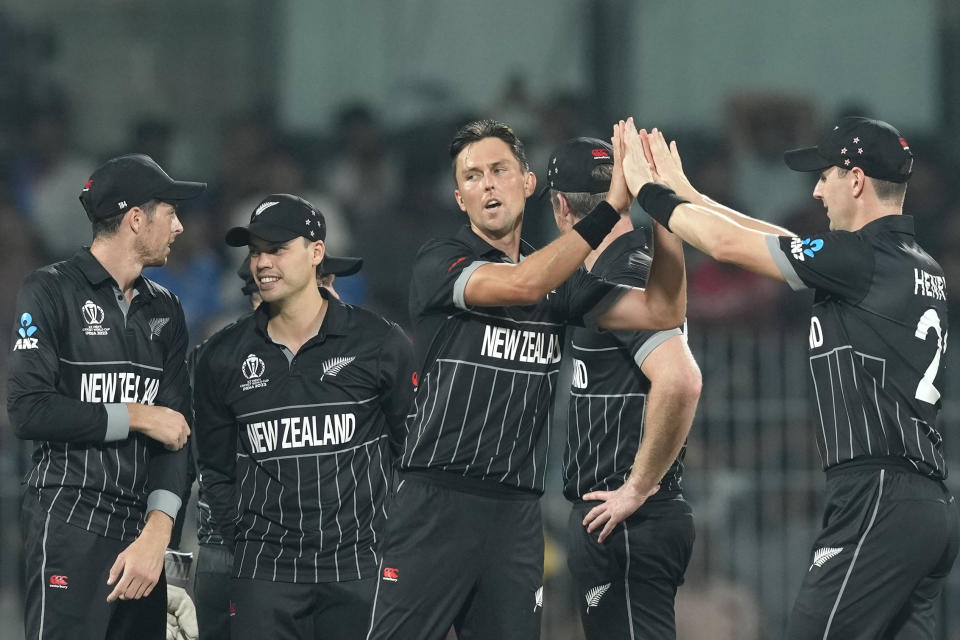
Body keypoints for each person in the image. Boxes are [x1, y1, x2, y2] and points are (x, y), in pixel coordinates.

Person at [622, 116, 960, 638]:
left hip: (877, 496)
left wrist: (651, 195)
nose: (816, 189)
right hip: (927, 504)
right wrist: (688, 193)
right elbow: (779, 241)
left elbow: (730, 249)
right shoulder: (917, 263)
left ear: (856, 179)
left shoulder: (858, 258)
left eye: (825, 174)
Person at [366, 119, 687, 640]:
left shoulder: (561, 284)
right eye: (472, 177)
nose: (487, 184)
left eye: (499, 170)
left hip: (516, 517)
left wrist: (665, 212)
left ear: (529, 183)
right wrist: (611, 205)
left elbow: (665, 307)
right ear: (459, 198)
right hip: (435, 503)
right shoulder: (441, 262)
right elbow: (524, 282)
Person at [193, 194, 414, 640]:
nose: (262, 262)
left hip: (359, 568)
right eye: (255, 251)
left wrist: (397, 544)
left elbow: (412, 450)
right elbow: (215, 469)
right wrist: (247, 538)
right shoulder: (219, 357)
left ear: (316, 253)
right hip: (264, 575)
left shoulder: (379, 343)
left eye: (276, 248)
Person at [8, 153, 205, 640]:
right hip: (69, 521)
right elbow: (29, 410)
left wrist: (157, 537)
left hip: (143, 535)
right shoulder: (49, 291)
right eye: (170, 213)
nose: (179, 226)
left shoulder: (168, 310)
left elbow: (178, 433)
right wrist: (138, 415)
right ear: (136, 219)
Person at [546, 136, 701, 638]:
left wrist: (635, 489)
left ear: (560, 205)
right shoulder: (630, 266)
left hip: (628, 519)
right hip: (619, 518)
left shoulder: (623, 274)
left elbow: (680, 380)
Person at [177, 252, 364, 640]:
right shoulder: (238, 361)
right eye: (323, 283)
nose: (334, 295)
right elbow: (183, 466)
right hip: (250, 558)